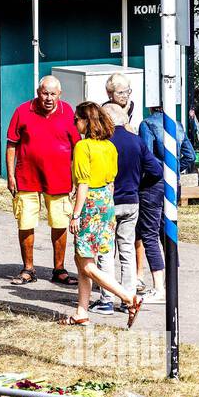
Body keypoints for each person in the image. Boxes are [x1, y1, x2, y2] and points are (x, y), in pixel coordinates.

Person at [61, 102, 143, 327]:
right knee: (82, 261)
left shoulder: (83, 147)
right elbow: (111, 181)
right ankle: (81, 311)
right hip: (107, 204)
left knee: (87, 264)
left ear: (86, 121)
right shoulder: (110, 147)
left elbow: (84, 184)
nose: (74, 123)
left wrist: (76, 215)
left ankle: (128, 297)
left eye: (76, 119)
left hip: (88, 205)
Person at [5, 75, 80, 286]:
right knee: (26, 222)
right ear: (38, 92)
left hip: (59, 178)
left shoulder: (68, 113)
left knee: (60, 222)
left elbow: (77, 148)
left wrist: (76, 178)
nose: (48, 98)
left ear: (60, 94)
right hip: (27, 176)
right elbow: (12, 145)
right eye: (45, 93)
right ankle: (28, 268)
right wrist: (10, 176)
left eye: (53, 94)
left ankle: (59, 269)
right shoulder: (22, 110)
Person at [90, 103, 161, 315]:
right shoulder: (136, 141)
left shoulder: (101, 142)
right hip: (131, 201)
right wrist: (138, 182)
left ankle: (107, 299)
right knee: (127, 250)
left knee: (106, 251)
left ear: (107, 120)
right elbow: (156, 170)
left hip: (109, 201)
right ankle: (129, 298)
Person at [136, 104, 195, 301]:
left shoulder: (147, 124)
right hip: (173, 183)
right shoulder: (176, 125)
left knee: (149, 233)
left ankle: (158, 285)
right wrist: (174, 169)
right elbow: (190, 155)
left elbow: (146, 157)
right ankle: (172, 280)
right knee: (167, 230)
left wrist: (154, 173)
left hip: (153, 184)